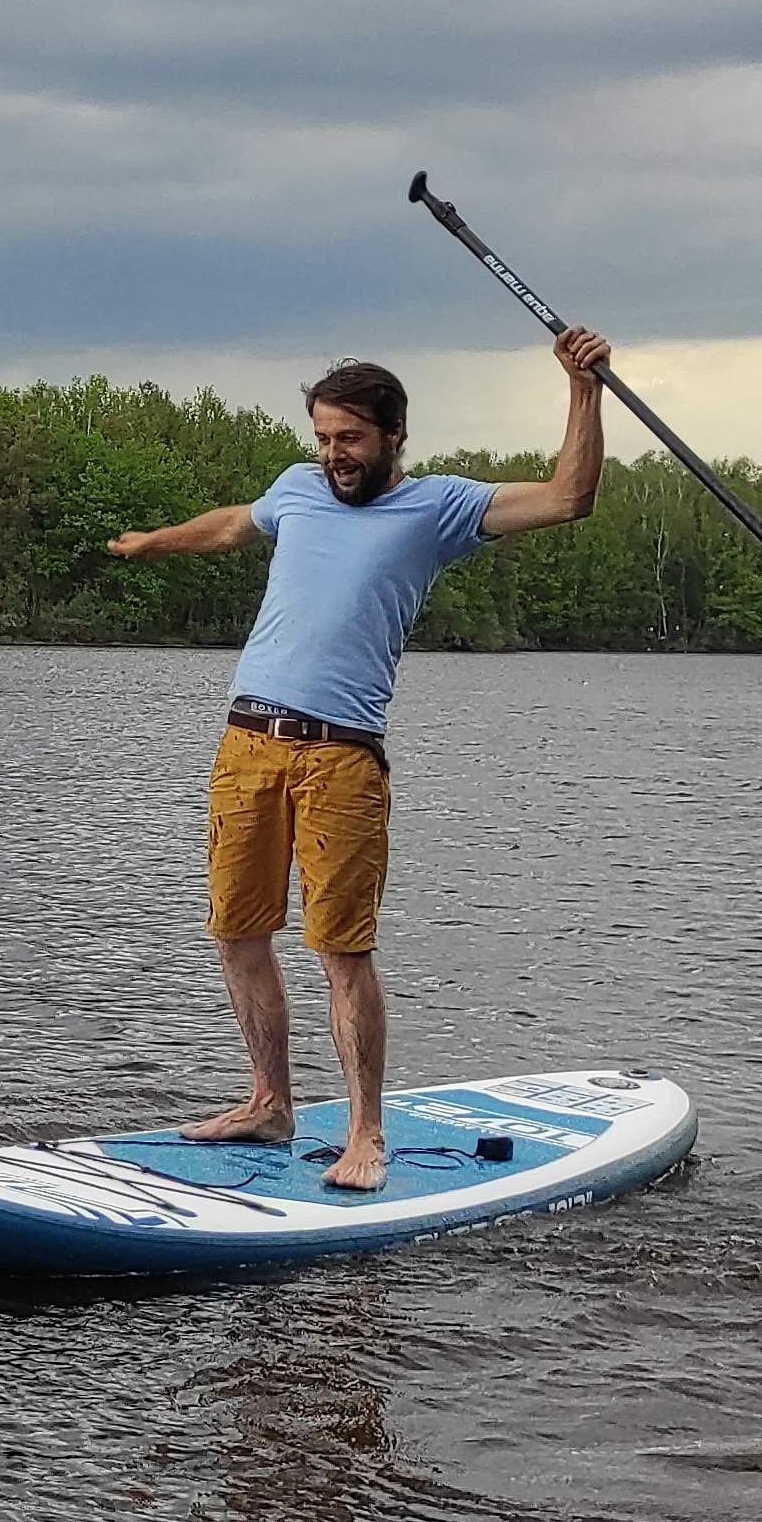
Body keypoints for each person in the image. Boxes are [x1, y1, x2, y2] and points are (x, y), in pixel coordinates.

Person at [102, 326, 613, 1189]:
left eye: (350, 439)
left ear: (392, 437)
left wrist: (583, 390)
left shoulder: (439, 508)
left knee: (341, 950)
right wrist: (154, 539)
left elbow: (569, 496)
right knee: (237, 933)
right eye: (323, 438)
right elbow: (231, 527)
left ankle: (366, 1133)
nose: (334, 454)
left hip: (341, 760)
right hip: (247, 745)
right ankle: (269, 1104)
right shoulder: (297, 489)